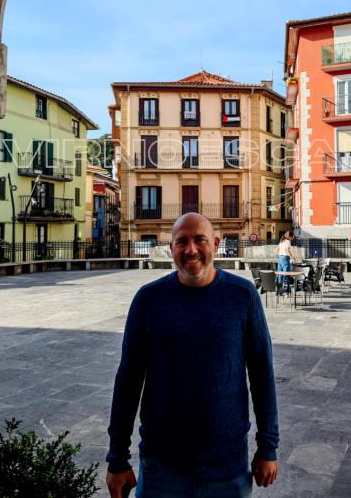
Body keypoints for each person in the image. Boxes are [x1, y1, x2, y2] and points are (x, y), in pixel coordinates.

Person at [106, 213, 279, 498]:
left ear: (215, 243)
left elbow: (262, 374)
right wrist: (117, 458)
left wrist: (268, 447)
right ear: (170, 247)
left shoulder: (243, 295)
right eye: (181, 242)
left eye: (199, 240)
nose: (191, 249)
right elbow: (128, 381)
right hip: (162, 468)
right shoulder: (148, 299)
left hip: (228, 468)